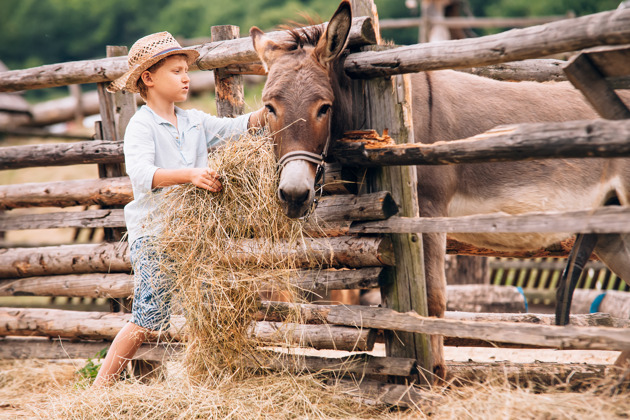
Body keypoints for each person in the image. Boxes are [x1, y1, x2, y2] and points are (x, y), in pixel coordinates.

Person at [92, 31, 266, 387]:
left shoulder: (195, 123)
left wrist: (273, 108)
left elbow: (238, 127)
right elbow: (142, 174)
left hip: (195, 235)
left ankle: (209, 384)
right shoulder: (141, 125)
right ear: (149, 78)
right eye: (176, 71)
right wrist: (190, 174)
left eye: (186, 69)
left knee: (209, 310)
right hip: (156, 236)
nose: (186, 77)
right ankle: (98, 389)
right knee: (148, 317)